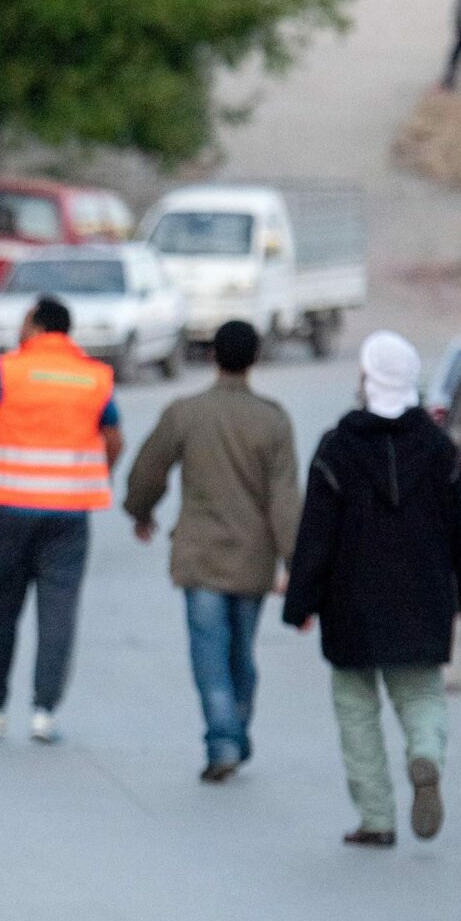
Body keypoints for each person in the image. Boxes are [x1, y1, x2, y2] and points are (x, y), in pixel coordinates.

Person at [282, 332, 461, 849]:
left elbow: (316, 533)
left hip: (350, 602)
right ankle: (424, 752)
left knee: (357, 711)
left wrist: (302, 602)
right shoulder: (439, 449)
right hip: (422, 598)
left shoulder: (337, 448)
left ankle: (376, 818)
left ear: (368, 379)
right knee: (422, 694)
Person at [0, 297, 125, 743]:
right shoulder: (94, 378)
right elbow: (114, 438)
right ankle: (44, 713)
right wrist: (96, 474)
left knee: (3, 609)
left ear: (36, 327)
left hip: (12, 511)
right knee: (58, 613)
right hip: (69, 515)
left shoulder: (9, 370)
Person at [121, 320, 301, 783]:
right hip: (252, 560)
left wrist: (140, 512)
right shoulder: (273, 419)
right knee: (241, 651)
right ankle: (234, 731)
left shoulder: (186, 413)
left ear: (213, 356)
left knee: (209, 655)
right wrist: (295, 564)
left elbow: (148, 468)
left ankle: (223, 740)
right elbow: (284, 500)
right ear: (255, 358)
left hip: (200, 557)